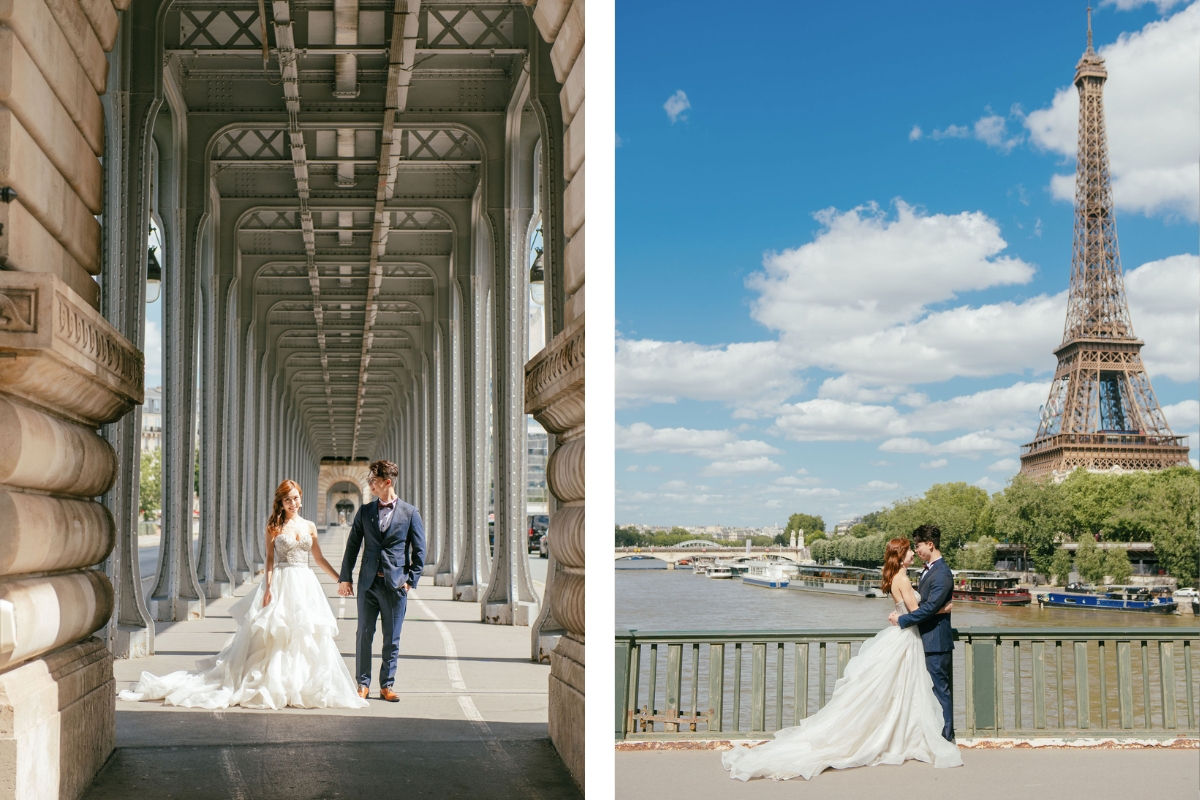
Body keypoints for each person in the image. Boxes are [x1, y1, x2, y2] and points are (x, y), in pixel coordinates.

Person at [722, 535, 961, 781]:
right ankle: (906, 736)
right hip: (908, 637)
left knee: (895, 690)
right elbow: (916, 612)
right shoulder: (902, 578)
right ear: (901, 557)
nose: (913, 554)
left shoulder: (896, 578)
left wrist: (903, 614)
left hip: (902, 635)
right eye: (910, 551)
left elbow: (907, 610)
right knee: (906, 689)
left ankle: (898, 734)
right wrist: (940, 609)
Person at [118, 480, 368, 709]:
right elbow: (270, 561)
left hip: (305, 583)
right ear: (280, 502)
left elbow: (318, 558)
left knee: (304, 634)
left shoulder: (309, 526)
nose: (294, 503)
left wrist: (341, 579)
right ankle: (277, 683)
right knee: (276, 634)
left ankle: (301, 684)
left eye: (296, 498)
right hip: (282, 582)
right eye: (288, 499)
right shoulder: (274, 526)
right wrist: (268, 588)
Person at [337, 459, 425, 701]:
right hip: (368, 584)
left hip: (395, 586)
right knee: (363, 634)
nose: (370, 485)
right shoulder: (365, 511)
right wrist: (345, 578)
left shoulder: (410, 512)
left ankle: (386, 685)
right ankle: (362, 684)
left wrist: (410, 581)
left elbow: (419, 550)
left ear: (387, 482)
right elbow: (353, 545)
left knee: (392, 637)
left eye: (373, 480)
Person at [888, 522, 956, 742]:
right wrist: (940, 610)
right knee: (925, 692)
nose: (916, 551)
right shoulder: (928, 571)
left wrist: (902, 619)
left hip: (935, 641)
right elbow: (928, 607)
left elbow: (927, 608)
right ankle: (929, 737)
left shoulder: (942, 574)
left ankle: (946, 739)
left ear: (930, 544)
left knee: (939, 691)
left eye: (918, 545)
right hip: (923, 639)